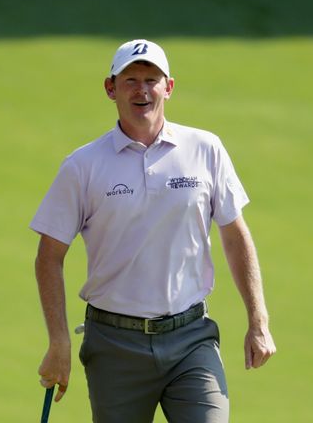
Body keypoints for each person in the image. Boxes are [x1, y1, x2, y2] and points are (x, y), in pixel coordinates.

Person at [31, 39, 276, 422]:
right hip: (113, 345)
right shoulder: (82, 166)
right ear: (110, 88)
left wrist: (258, 321)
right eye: (130, 80)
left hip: (191, 338)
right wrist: (58, 342)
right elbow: (49, 255)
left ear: (169, 87)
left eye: (151, 79)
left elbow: (234, 235)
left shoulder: (205, 149)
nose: (141, 89)